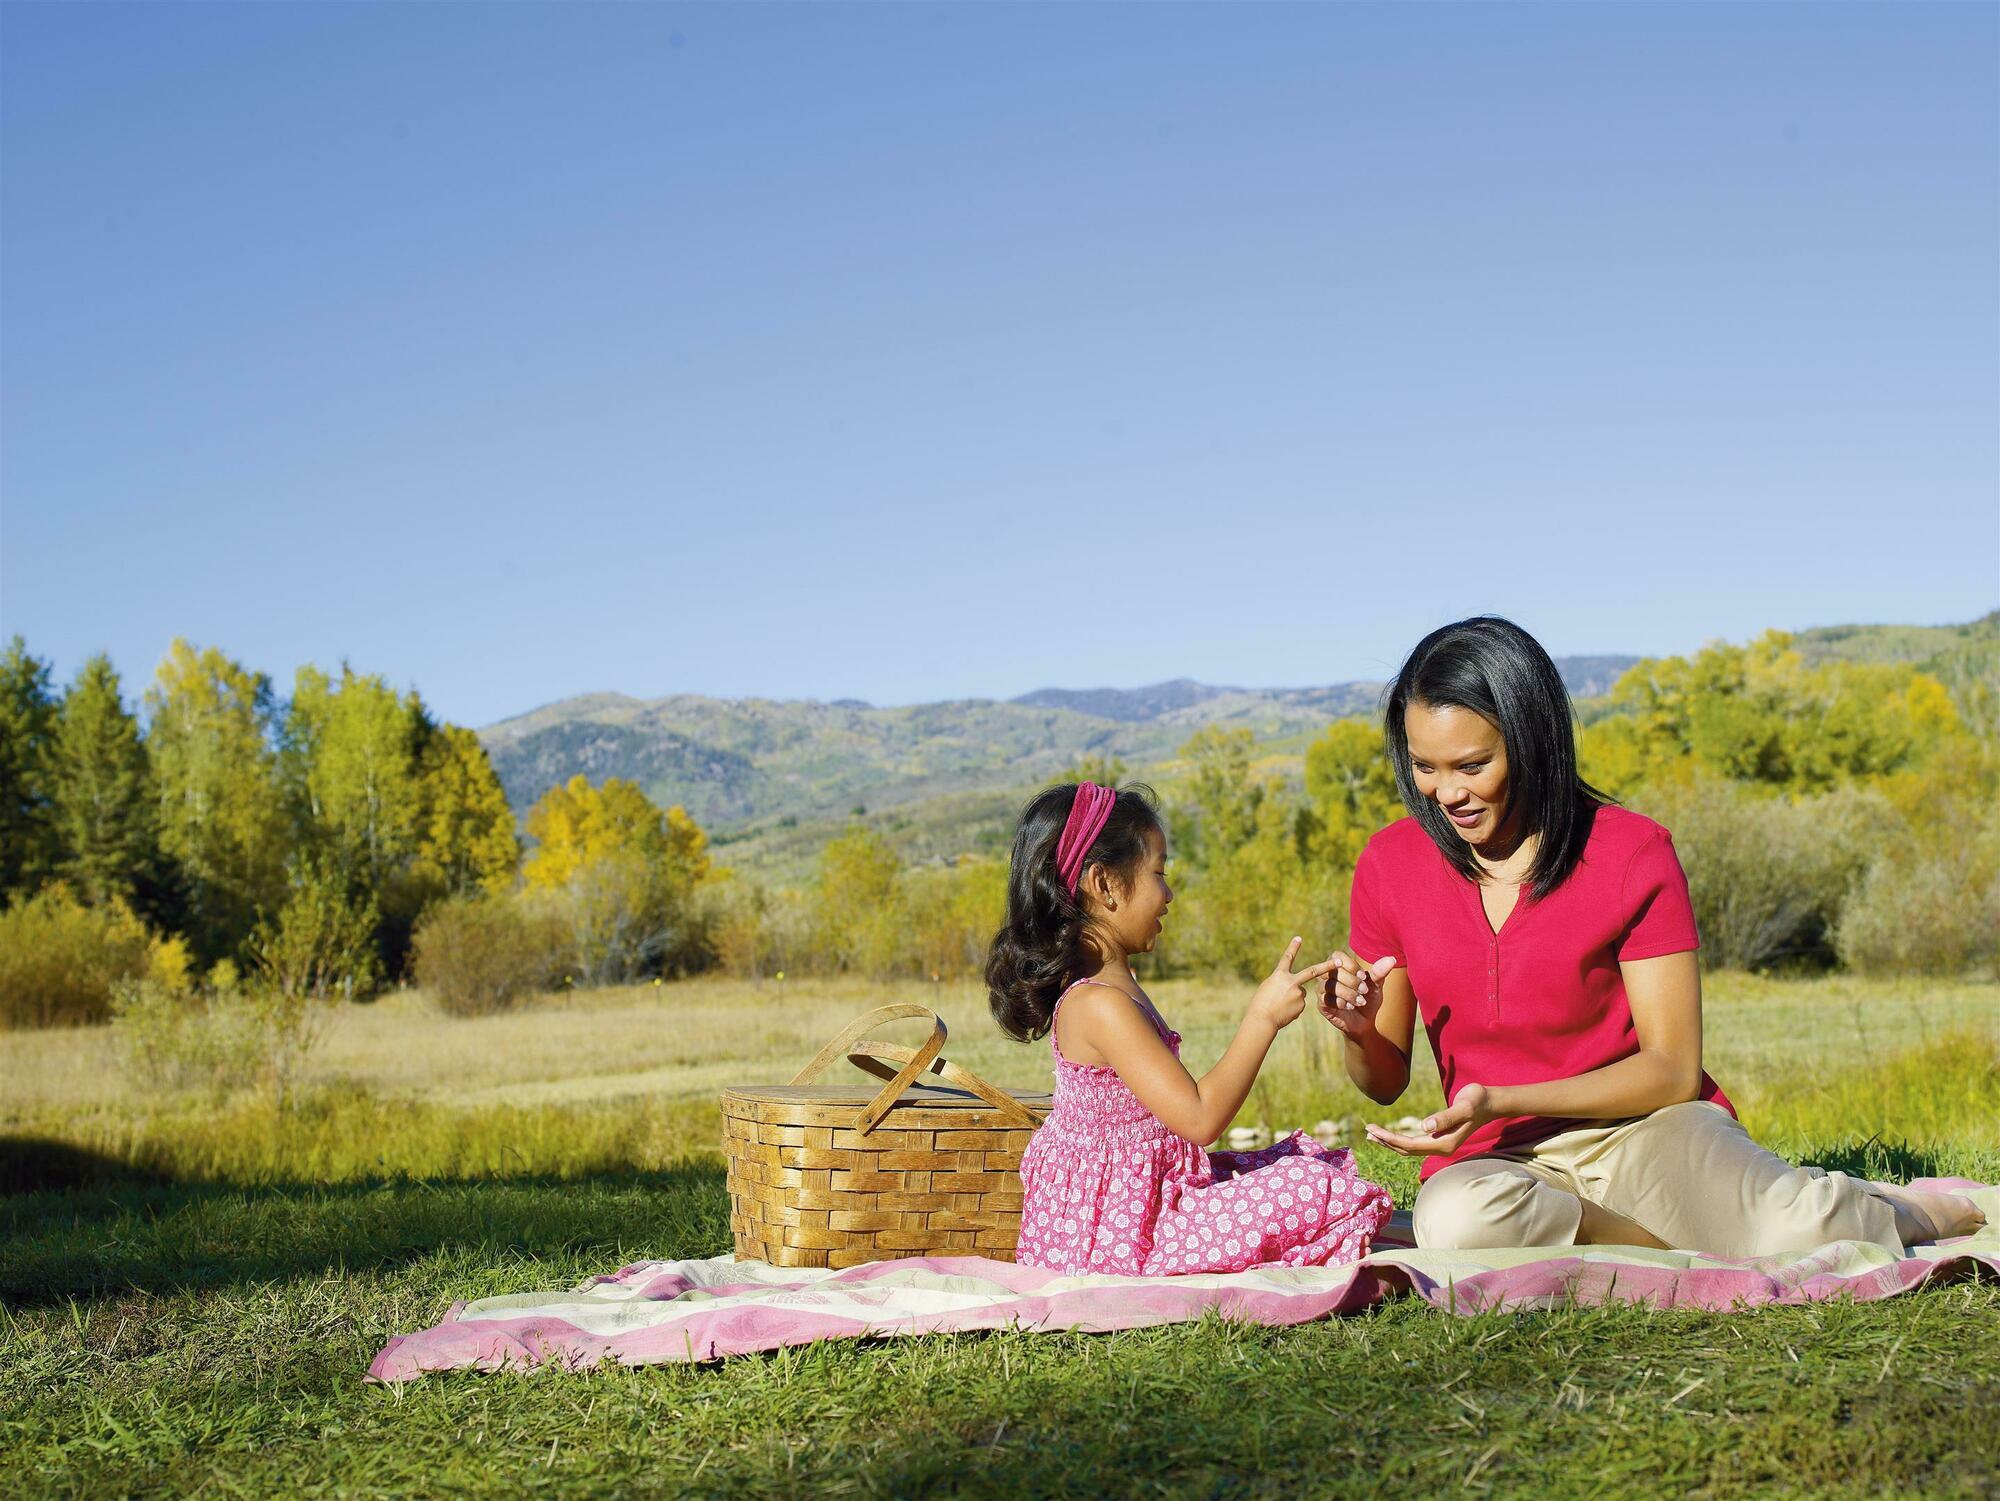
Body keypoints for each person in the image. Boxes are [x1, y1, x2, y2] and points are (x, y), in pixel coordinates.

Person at [1320, 616, 1985, 1255]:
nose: (1445, 793)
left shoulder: (1632, 851)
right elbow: (1382, 1081)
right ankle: (1676, 1243)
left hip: (1651, 1130)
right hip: (1500, 1159)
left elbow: (1671, 1071)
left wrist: (1507, 1096)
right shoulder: (1390, 864)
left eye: (1472, 764)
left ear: (1530, 738)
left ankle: (1920, 1206)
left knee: (1795, 1233)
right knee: (1458, 1221)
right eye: (1424, 767)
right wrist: (1358, 1029)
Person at [986, 781, 1392, 1275]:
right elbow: (1199, 1119)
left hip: (1146, 1202)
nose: (1168, 893)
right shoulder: (1099, 1004)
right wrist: (1262, 1019)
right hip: (1125, 1232)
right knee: (1317, 1190)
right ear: (1105, 884)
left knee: (1308, 1170)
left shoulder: (1113, 986)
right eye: (1158, 872)